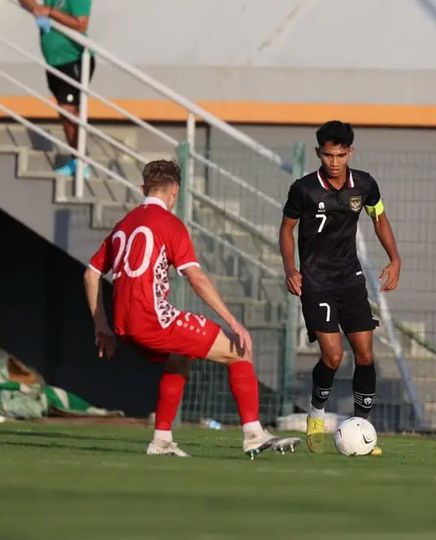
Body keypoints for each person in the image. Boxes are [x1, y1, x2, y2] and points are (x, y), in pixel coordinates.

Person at [83, 160, 300, 458]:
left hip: (123, 324)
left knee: (180, 358)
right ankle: (253, 433)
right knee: (240, 351)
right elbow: (196, 277)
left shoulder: (125, 224)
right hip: (154, 319)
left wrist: (101, 326)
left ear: (143, 189)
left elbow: (90, 274)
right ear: (175, 191)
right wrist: (232, 321)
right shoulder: (169, 224)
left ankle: (161, 440)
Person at [279, 120, 401, 455]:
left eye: (341, 154)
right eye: (328, 154)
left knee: (365, 354)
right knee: (332, 357)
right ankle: (315, 416)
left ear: (350, 152)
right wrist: (291, 269)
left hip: (350, 278)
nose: (334, 161)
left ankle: (363, 430)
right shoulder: (303, 189)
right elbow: (287, 229)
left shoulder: (364, 185)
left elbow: (379, 218)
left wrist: (395, 259)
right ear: (319, 152)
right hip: (316, 281)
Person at [21, 0, 95, 178]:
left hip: (74, 60)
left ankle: (82, 161)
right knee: (65, 112)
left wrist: (49, 12)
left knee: (69, 110)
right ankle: (76, 159)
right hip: (55, 62)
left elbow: (81, 23)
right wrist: (35, 7)